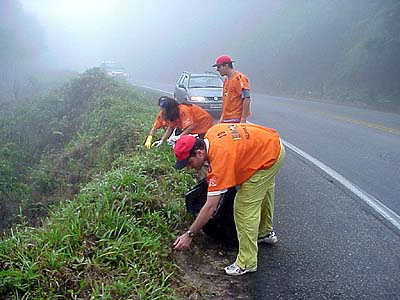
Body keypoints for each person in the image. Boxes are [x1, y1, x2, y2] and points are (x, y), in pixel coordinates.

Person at [172, 123, 285, 276]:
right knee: (263, 192)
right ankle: (265, 233)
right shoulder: (212, 132)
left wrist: (189, 234)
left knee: (244, 207)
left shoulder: (220, 160)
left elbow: (210, 207)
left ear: (199, 153)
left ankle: (247, 262)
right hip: (271, 144)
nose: (189, 168)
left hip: (268, 156)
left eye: (189, 163)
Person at [212, 55, 251, 123]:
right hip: (226, 119)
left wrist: (243, 118)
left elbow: (246, 98)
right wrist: (222, 118)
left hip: (236, 119)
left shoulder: (239, 78)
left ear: (226, 66)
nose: (217, 70)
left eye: (219, 66)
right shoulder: (226, 80)